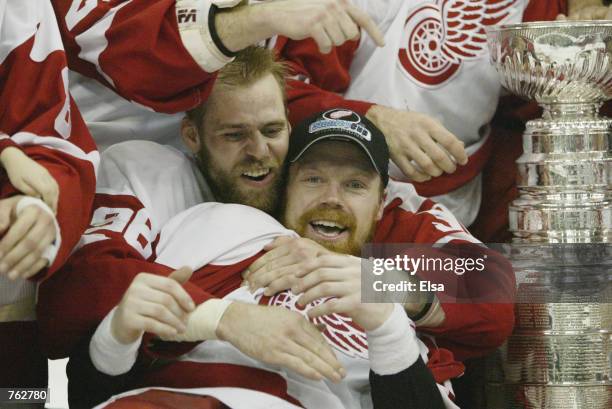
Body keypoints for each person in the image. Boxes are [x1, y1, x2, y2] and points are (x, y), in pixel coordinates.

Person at [37, 48, 513, 405]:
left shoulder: (384, 213)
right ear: (192, 134)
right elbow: (72, 304)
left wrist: (375, 278)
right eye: (233, 134)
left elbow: (496, 288)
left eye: (271, 131)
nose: (260, 154)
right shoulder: (161, 186)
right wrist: (219, 316)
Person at [273, 0, 574, 229]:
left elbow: (538, 112)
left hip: (464, 202)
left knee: (512, 289)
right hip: (343, 197)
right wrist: (370, 120)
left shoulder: (539, 5)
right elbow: (276, 97)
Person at [48, 0, 384, 150]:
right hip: (107, 174)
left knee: (421, 275)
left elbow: (289, 97)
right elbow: (130, 56)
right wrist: (258, 19)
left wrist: (368, 123)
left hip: (252, 186)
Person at [0, 0, 98, 392]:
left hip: (11, 310)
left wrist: (37, 208)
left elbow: (53, 141)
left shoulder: (21, 6)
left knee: (21, 397)